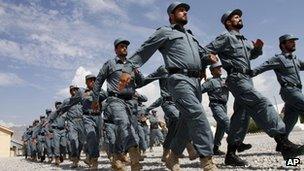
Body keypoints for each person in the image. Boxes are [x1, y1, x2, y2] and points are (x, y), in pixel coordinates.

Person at [118, 2, 218, 170]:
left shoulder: (191, 36)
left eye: (186, 10)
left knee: (186, 121)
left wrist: (209, 58)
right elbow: (145, 49)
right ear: (171, 15)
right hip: (179, 80)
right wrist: (128, 68)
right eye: (180, 10)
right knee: (197, 114)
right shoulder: (165, 32)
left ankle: (173, 157)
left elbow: (202, 55)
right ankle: (207, 160)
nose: (185, 12)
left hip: (195, 82)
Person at [205, 9, 304, 166]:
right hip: (236, 78)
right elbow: (206, 50)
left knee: (241, 116)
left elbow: (252, 56)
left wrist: (257, 48)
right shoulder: (226, 37)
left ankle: (230, 155)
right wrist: (208, 57)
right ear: (228, 22)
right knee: (261, 103)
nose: (240, 18)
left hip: (246, 78)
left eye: (240, 16)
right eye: (236, 17)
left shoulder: (244, 40)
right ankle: (283, 142)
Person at [251, 34, 304, 151]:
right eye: (290, 41)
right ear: (283, 45)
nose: (294, 43)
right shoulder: (278, 59)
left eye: (294, 41)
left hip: (297, 90)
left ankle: (282, 143)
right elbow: (262, 67)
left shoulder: (295, 59)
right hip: (289, 91)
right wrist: (248, 73)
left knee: (291, 119)